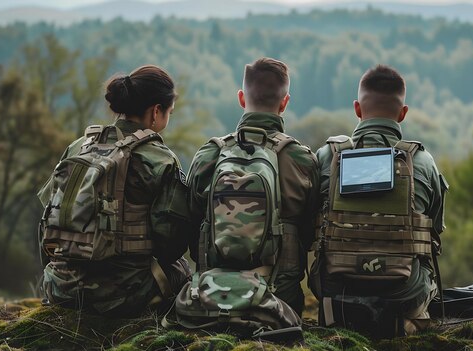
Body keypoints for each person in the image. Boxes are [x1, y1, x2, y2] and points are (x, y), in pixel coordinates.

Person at [38, 65, 191, 317]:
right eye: (169, 112)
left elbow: (47, 221)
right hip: (120, 296)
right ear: (156, 112)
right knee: (180, 269)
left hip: (59, 288)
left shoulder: (79, 147)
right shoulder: (160, 159)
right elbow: (170, 244)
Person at [310, 64, 448, 335]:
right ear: (403, 113)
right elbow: (436, 228)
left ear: (357, 109)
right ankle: (408, 321)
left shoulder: (327, 156)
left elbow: (307, 224)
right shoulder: (421, 161)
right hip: (404, 293)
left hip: (336, 289)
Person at [187, 57, 320, 316]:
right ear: (285, 102)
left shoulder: (209, 154)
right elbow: (310, 232)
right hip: (279, 298)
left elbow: (190, 222)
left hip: (212, 294)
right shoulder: (302, 159)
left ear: (241, 98)